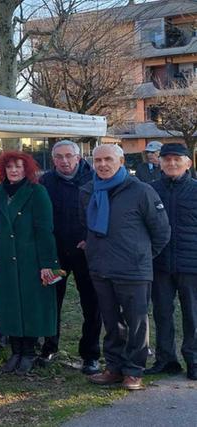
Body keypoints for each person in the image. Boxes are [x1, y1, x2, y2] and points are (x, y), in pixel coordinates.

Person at [81, 144, 170, 391]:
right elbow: (86, 226)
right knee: (111, 322)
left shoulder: (141, 191)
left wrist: (141, 255)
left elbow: (162, 231)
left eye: (108, 159)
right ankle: (114, 368)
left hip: (133, 269)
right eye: (98, 160)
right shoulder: (88, 191)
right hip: (101, 268)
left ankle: (134, 370)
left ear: (121, 162)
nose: (102, 165)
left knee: (136, 322)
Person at [0, 151, 61, 376]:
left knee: (30, 306)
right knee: (9, 305)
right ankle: (15, 351)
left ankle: (28, 352)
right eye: (9, 167)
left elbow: (45, 230)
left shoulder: (37, 192)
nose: (14, 171)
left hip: (30, 259)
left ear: (26, 169)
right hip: (5, 260)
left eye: (18, 167)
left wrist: (47, 263)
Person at [39, 140, 101, 374]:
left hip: (86, 252)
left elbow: (102, 212)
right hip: (56, 254)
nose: (64, 161)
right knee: (52, 301)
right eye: (59, 157)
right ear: (53, 159)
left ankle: (91, 355)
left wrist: (90, 238)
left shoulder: (94, 179)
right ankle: (49, 346)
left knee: (91, 304)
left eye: (68, 156)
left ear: (78, 157)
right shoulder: (45, 181)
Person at [147, 143, 197, 380]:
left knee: (193, 315)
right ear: (160, 163)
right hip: (160, 264)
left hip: (191, 264)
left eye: (177, 159)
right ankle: (166, 359)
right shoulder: (150, 190)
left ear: (188, 163)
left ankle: (193, 360)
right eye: (167, 159)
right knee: (162, 313)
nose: (172, 163)